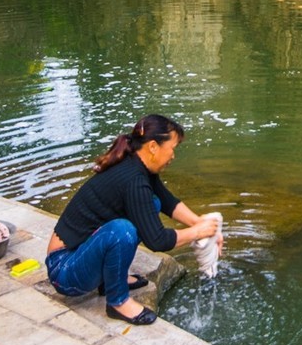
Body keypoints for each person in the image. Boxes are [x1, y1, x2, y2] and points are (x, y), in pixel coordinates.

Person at [45, 114, 220, 325]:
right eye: (173, 147)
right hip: (64, 271)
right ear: (154, 146)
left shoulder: (139, 167)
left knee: (151, 204)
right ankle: (117, 301)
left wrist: (202, 223)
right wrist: (197, 233)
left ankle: (110, 280)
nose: (174, 155)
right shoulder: (133, 179)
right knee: (122, 231)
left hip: (80, 256)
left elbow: (166, 201)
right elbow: (157, 240)